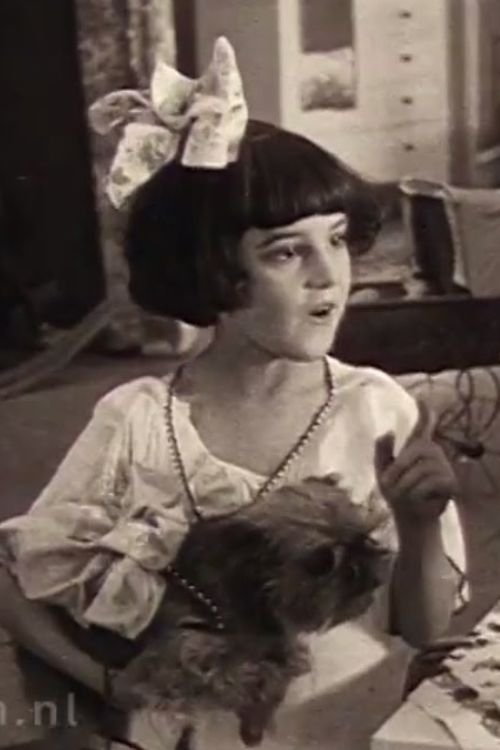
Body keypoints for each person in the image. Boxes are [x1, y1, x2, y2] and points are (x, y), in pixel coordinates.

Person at [0, 38, 467, 750]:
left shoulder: (375, 409)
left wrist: (421, 523)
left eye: (337, 239)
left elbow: (428, 632)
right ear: (213, 269)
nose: (329, 274)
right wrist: (107, 683)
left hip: (354, 726)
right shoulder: (138, 420)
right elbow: (16, 577)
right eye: (287, 251)